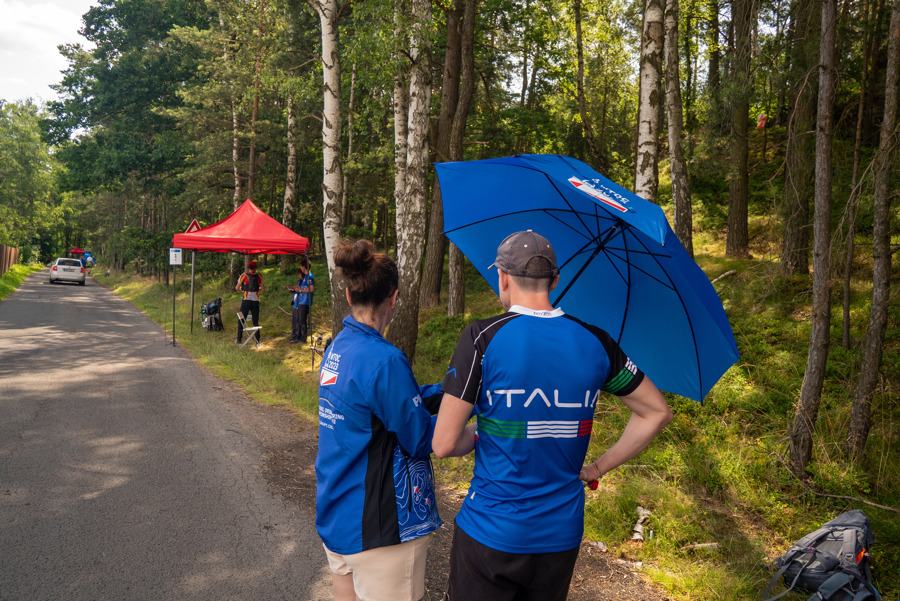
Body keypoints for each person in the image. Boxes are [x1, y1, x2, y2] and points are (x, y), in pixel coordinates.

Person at [433, 230, 673, 601]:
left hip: (491, 530)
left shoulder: (482, 338)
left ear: (503, 277)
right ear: (555, 280)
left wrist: (484, 432)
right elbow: (656, 412)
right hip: (559, 536)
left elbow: (445, 443)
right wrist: (597, 469)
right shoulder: (598, 342)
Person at [315, 239, 445, 601]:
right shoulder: (384, 359)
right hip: (379, 529)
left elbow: (381, 406)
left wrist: (447, 390)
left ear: (347, 293)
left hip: (337, 514)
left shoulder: (337, 347)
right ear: (393, 297)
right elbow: (419, 439)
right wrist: (470, 422)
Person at [286, 256, 315, 344]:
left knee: (302, 320)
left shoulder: (309, 276)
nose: (300, 268)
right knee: (299, 320)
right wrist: (298, 288)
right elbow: (304, 287)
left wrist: (301, 290)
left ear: (304, 266)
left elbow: (311, 289)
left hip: (305, 301)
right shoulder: (305, 277)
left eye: (301, 266)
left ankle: (303, 339)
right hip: (301, 301)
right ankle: (298, 337)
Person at [235, 260, 264, 345]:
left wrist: (243, 289)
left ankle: (239, 340)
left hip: (246, 300)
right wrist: (255, 290)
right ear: (255, 268)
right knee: (255, 321)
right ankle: (258, 341)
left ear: (248, 268)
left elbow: (237, 287)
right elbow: (262, 289)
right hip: (255, 301)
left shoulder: (244, 275)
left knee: (241, 319)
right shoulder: (259, 276)